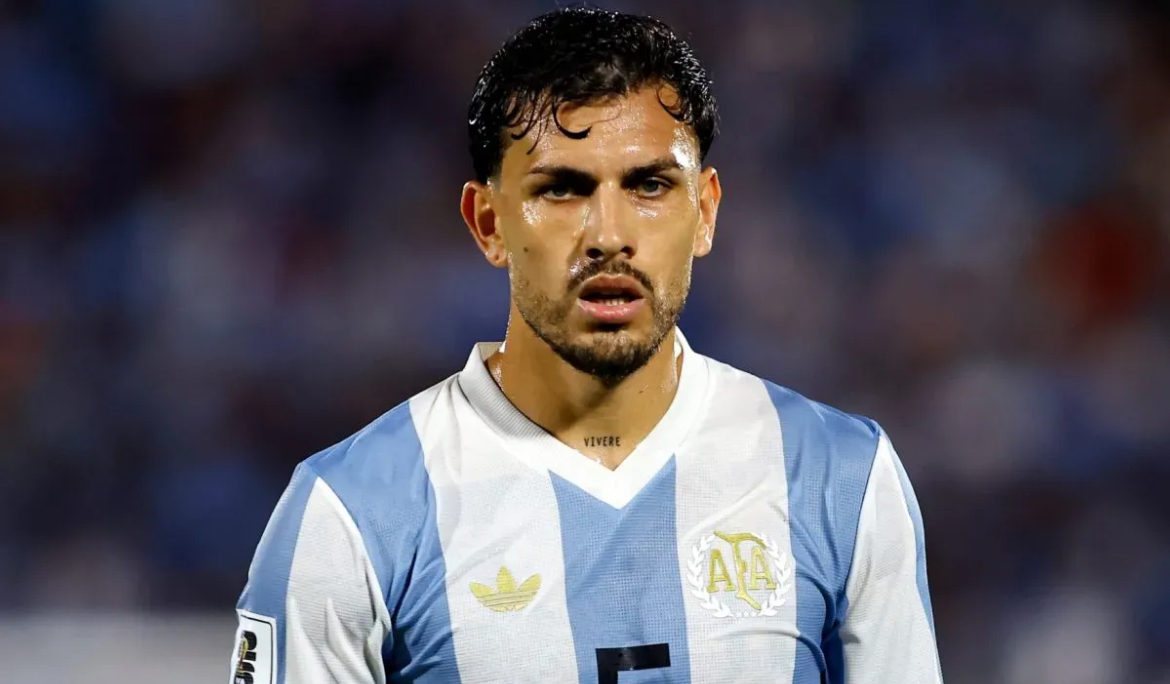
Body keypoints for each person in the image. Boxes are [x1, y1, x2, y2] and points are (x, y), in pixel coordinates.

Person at [230, 7, 944, 683]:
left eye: (650, 185)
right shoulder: (350, 513)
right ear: (488, 223)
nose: (608, 235)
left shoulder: (841, 479)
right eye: (563, 189)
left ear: (705, 212)